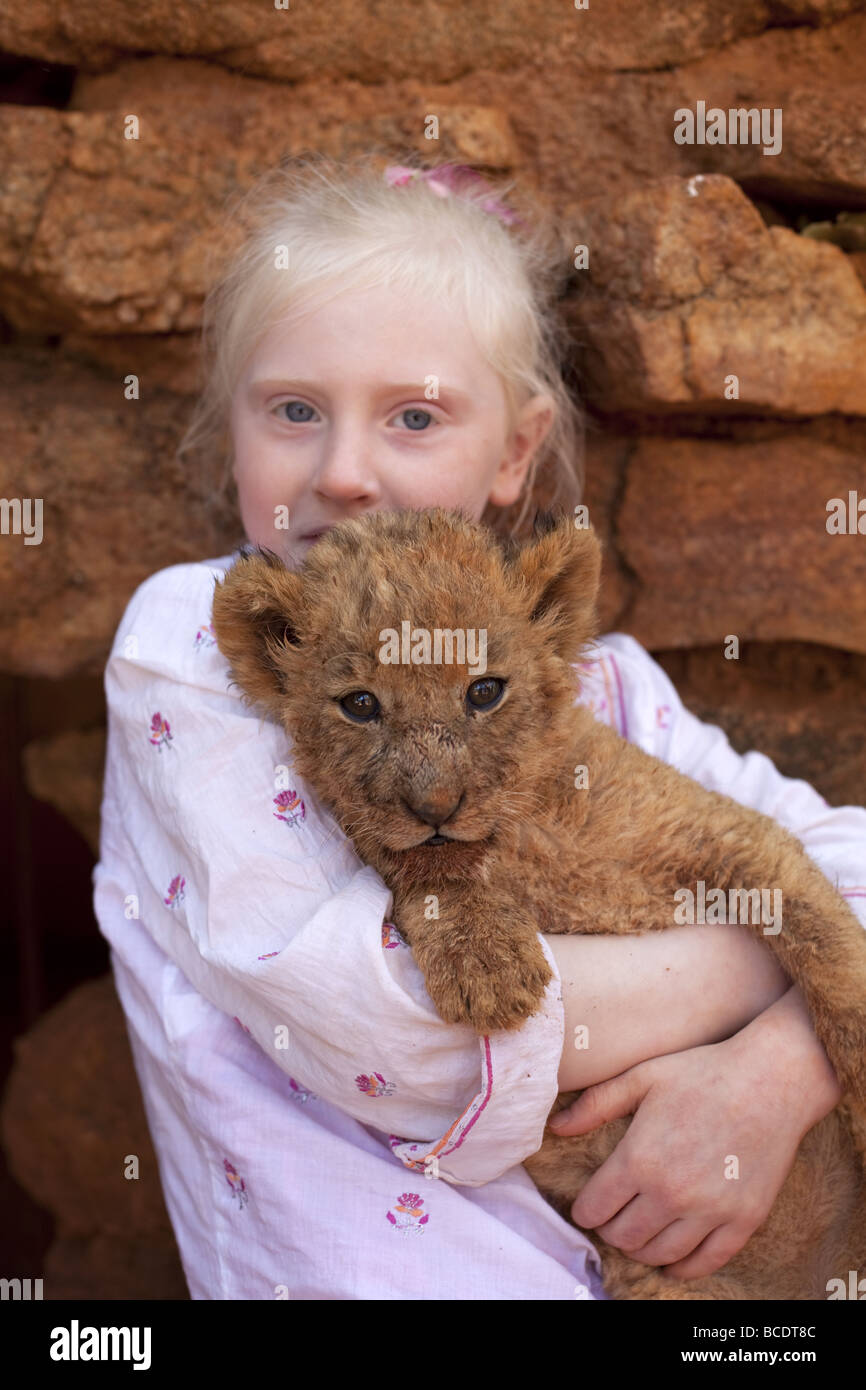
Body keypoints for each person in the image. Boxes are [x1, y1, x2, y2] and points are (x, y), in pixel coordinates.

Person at [92, 155, 866, 1300]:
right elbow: (397, 1030)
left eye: (413, 416)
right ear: (235, 424)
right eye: (293, 409)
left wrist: (782, 1062)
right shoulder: (198, 650)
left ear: (513, 452)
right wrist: (776, 954)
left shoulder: (593, 682)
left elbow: (847, 858)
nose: (344, 471)